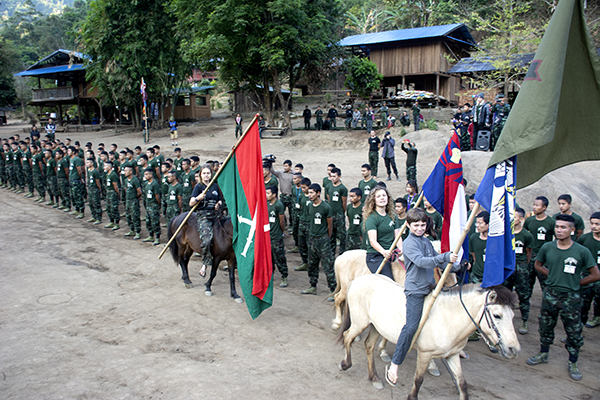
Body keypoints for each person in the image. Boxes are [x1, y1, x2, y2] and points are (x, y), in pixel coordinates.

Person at [385, 207, 458, 387]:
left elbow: (437, 259)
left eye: (422, 224)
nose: (419, 228)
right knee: (411, 327)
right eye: (416, 225)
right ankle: (395, 364)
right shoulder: (409, 244)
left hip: (431, 287)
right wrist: (445, 256)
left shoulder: (426, 242)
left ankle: (453, 347)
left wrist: (456, 264)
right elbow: (421, 262)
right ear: (408, 225)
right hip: (416, 291)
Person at [526, 215, 599, 381]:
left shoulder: (581, 251)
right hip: (550, 295)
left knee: (574, 332)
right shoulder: (548, 247)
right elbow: (538, 265)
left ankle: (573, 362)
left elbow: (595, 274)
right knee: (545, 326)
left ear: (572, 230)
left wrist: (577, 283)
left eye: (563, 227)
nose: (559, 230)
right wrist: (551, 276)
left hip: (571, 298)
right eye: (557, 226)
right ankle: (543, 353)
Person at [300, 183, 336, 298]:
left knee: (328, 267)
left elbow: (330, 226)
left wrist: (326, 238)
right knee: (312, 265)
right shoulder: (310, 206)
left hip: (323, 241)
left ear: (318, 193)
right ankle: (313, 286)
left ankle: (333, 290)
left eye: (311, 193)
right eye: (308, 192)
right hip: (312, 240)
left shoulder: (326, 207)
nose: (309, 195)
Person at [190, 165, 223, 278]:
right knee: (207, 240)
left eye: (208, 173)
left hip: (216, 216)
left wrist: (219, 203)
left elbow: (220, 199)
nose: (206, 175)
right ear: (200, 175)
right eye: (204, 173)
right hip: (203, 216)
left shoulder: (214, 186)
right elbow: (191, 203)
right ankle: (205, 264)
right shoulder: (198, 187)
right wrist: (198, 198)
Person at [364, 186, 403, 280]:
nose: (382, 198)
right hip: (376, 255)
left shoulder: (392, 216)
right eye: (378, 196)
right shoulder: (372, 218)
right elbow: (373, 241)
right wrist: (383, 251)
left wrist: (401, 249)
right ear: (373, 200)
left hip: (392, 253)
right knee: (388, 280)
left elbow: (397, 236)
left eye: (384, 195)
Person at [524, 196, 555, 290]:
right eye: (534, 205)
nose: (534, 207)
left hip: (544, 257)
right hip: (530, 255)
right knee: (527, 284)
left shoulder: (551, 222)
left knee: (546, 284)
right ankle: (525, 304)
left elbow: (557, 240)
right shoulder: (529, 220)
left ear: (544, 207)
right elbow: (524, 234)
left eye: (537, 205)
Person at [513, 207, 534, 334]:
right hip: (508, 268)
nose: (512, 219)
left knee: (523, 296)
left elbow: (528, 253)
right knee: (505, 294)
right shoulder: (507, 233)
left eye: (515, 217)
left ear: (521, 219)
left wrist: (523, 266)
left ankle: (524, 320)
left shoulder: (527, 235)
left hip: (521, 267)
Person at [577, 212, 600, 328]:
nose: (593, 226)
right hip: (587, 275)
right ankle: (579, 323)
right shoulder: (584, 239)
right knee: (583, 301)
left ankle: (597, 317)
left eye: (597, 224)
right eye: (592, 223)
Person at [266, 186, 289, 288]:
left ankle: (284, 276)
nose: (266, 195)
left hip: (276, 237)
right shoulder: (266, 204)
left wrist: (281, 232)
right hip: (268, 236)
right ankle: (270, 274)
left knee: (279, 257)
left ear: (274, 194)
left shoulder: (278, 205)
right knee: (269, 257)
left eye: (268, 193)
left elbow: (282, 221)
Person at [325, 167, 347, 256]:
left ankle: (342, 253)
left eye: (335, 176)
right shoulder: (328, 186)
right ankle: (332, 253)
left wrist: (341, 213)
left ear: (339, 176)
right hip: (331, 215)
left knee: (342, 236)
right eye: (331, 176)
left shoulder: (342, 188)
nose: (333, 178)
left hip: (339, 215)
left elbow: (344, 203)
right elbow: (328, 199)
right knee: (331, 235)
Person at [294, 177, 312, 272]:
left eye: (304, 187)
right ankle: (305, 262)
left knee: (310, 244)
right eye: (302, 188)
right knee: (302, 243)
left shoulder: (312, 197)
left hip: (310, 224)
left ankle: (311, 263)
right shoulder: (301, 196)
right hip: (302, 222)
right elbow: (301, 207)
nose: (303, 189)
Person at [270, 159, 294, 227]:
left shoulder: (294, 174)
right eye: (284, 166)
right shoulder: (281, 173)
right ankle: (284, 223)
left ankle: (291, 225)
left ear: (290, 166)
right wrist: (270, 164)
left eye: (286, 166)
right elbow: (273, 172)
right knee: (281, 210)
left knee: (291, 212)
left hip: (291, 196)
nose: (285, 167)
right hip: (283, 196)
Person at [469, 211, 489, 283]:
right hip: (477, 275)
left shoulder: (495, 240)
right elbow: (474, 255)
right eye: (476, 223)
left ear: (488, 224)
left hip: (491, 275)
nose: (477, 225)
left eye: (480, 223)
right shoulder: (473, 238)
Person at [123, 165, 142, 240]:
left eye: (126, 171)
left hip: (133, 200)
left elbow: (139, 191)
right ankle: (132, 230)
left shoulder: (135, 180)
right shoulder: (125, 180)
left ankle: (137, 232)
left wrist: (135, 197)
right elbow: (125, 189)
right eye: (124, 171)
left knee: (135, 216)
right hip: (128, 200)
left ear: (131, 172)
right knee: (128, 216)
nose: (125, 172)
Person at [68, 146, 86, 219]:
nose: (67, 152)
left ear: (73, 152)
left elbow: (79, 170)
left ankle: (82, 211)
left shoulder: (76, 159)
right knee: (73, 195)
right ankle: (76, 209)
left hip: (76, 180)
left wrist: (80, 178)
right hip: (71, 179)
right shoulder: (71, 159)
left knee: (78, 195)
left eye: (69, 151)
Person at [103, 161, 120, 231]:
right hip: (108, 192)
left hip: (112, 193)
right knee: (108, 208)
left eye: (105, 166)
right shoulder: (108, 174)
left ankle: (117, 223)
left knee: (114, 208)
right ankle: (111, 221)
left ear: (109, 167)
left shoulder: (113, 174)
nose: (104, 167)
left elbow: (115, 186)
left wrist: (117, 194)